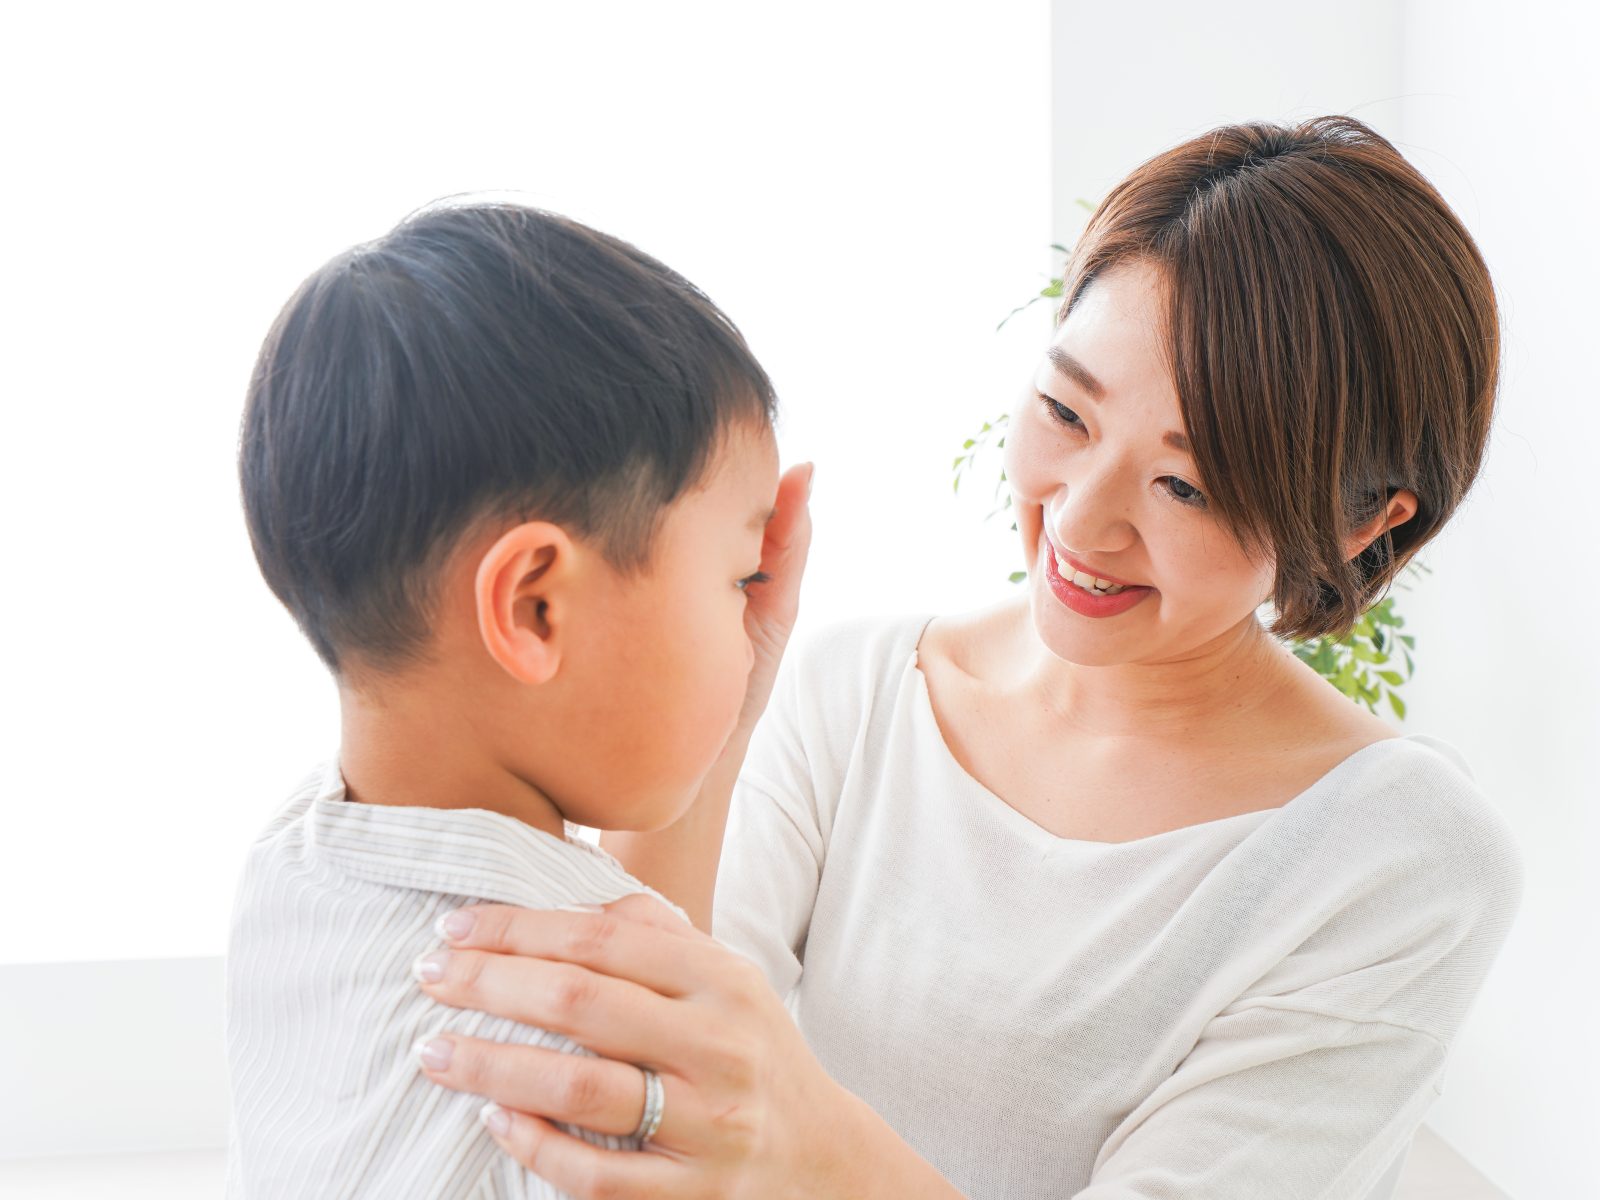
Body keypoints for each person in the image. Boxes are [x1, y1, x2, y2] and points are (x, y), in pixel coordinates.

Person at [410, 117, 1525, 1199]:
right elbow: (643, 1067)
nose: (1078, 522)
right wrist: (712, 717)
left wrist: (808, 1148)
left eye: (1186, 485)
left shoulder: (1396, 852)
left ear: (1361, 524)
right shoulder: (860, 691)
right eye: (1066, 413)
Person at [225, 201, 814, 1197]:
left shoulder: (289, 864)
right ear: (534, 607)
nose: (748, 618)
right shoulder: (610, 1066)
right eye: (734, 578)